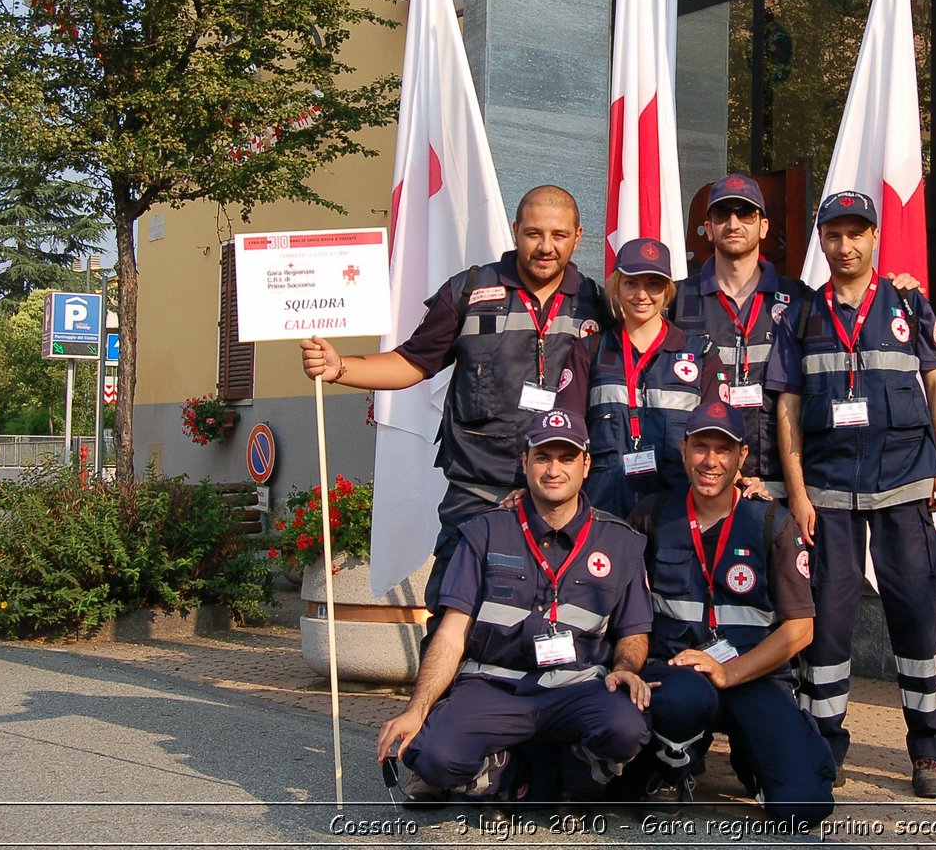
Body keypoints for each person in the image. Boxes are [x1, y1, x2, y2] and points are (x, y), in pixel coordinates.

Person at [300, 185, 607, 615]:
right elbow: (412, 362)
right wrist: (340, 368)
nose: (545, 247)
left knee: (554, 620)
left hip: (560, 499)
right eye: (534, 233)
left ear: (578, 236)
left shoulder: (598, 305)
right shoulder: (469, 292)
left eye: (558, 235)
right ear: (515, 231)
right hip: (476, 496)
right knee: (453, 617)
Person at [767, 190, 936, 799]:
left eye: (857, 234)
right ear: (820, 240)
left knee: (916, 618)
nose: (845, 247)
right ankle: (823, 747)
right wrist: (797, 494)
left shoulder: (907, 300)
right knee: (827, 628)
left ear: (875, 237)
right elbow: (788, 407)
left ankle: (930, 753)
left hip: (905, 486)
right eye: (833, 235)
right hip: (827, 495)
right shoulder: (801, 314)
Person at [375, 409, 653, 806]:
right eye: (542, 457)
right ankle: (502, 771)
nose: (553, 469)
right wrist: (417, 710)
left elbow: (634, 632)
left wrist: (625, 671)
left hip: (577, 689)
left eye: (566, 457)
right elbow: (451, 633)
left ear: (586, 464)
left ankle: (573, 776)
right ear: (525, 462)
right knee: (432, 757)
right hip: (493, 687)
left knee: (626, 726)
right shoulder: (484, 532)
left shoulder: (621, 542)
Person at [627, 401, 835, 823]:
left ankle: (758, 754)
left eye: (723, 450)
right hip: (677, 674)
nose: (710, 461)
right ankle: (672, 766)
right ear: (683, 449)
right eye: (700, 447)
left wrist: (729, 673)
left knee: (803, 807)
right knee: (683, 700)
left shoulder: (770, 521)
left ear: (742, 457)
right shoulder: (652, 515)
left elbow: (800, 630)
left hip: (752, 675)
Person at [671, 172, 925, 500]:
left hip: (779, 488)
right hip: (703, 481)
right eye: (722, 213)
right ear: (708, 227)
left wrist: (897, 291)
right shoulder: (675, 302)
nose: (734, 223)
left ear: (763, 226)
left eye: (745, 213)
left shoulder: (802, 302)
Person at [585, 237, 719, 518]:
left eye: (653, 284)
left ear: (668, 289)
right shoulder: (590, 350)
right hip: (603, 512)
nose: (641, 294)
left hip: (677, 515)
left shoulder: (701, 354)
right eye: (631, 283)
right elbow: (568, 433)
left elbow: (717, 437)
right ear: (617, 287)